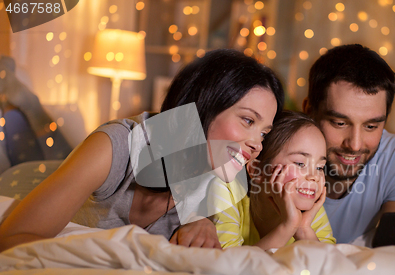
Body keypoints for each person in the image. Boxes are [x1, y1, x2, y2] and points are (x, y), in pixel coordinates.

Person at [0, 49, 284, 252]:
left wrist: (202, 223)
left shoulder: (216, 177)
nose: (256, 144)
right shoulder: (115, 147)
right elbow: (14, 238)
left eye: (262, 132)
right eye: (248, 120)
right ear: (204, 106)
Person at [303, 44, 395, 248]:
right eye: (340, 123)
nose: (355, 145)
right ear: (309, 111)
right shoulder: (275, 151)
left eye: (371, 126)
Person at [209, 110, 336, 250]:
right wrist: (288, 227)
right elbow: (227, 265)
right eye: (300, 164)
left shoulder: (311, 211)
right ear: (257, 170)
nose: (314, 177)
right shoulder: (227, 192)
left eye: (319, 167)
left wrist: (304, 230)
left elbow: (330, 268)